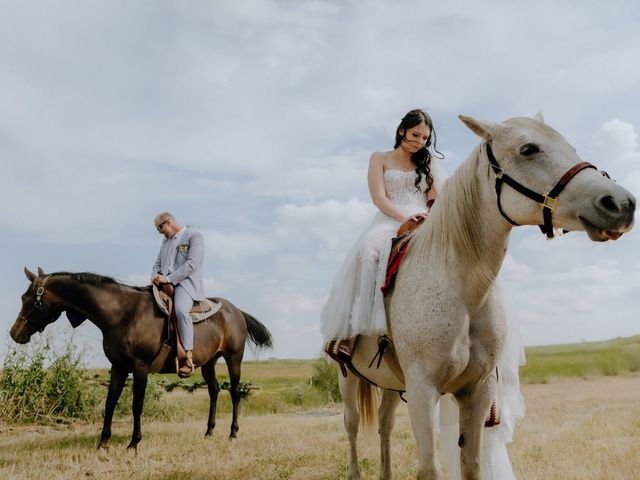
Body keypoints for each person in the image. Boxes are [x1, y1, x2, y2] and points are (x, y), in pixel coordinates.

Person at [320, 108, 445, 357]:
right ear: (401, 131)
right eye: (415, 134)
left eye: (424, 138)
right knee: (368, 251)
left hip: (424, 220)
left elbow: (433, 199)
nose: (419, 142)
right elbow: (379, 198)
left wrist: (428, 219)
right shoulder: (380, 158)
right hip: (391, 218)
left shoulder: (427, 163)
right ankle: (353, 334)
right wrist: (404, 218)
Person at [151, 212, 205, 378]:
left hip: (185, 284)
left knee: (181, 311)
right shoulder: (165, 242)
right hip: (164, 283)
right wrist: (154, 276)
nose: (160, 233)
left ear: (168, 222)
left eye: (160, 228)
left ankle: (187, 357)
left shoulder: (193, 237)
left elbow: (192, 264)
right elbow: (158, 264)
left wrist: (168, 278)